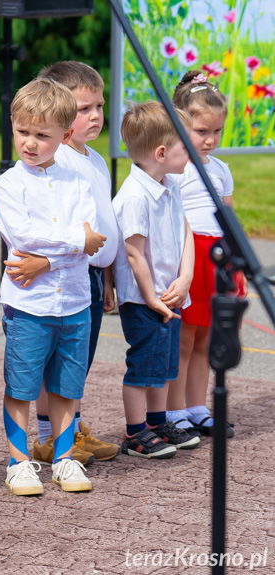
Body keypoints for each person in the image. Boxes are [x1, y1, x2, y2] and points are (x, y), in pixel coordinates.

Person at [0, 78, 105, 496]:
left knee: (66, 387)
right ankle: (18, 461)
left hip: (75, 301)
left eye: (42, 135)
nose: (30, 143)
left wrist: (51, 258)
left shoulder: (79, 184)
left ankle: (63, 458)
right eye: (23, 132)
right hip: (29, 305)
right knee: (20, 386)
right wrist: (75, 243)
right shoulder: (9, 184)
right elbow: (24, 236)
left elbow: (92, 241)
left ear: (65, 135)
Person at [11, 61, 120, 464]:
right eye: (82, 108)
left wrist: (108, 274)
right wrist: (46, 263)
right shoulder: (58, 163)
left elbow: (102, 220)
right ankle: (48, 436)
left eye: (99, 106)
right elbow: (47, 228)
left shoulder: (91, 158)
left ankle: (71, 427)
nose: (93, 116)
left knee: (79, 361)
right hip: (62, 272)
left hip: (90, 274)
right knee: (54, 363)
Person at [113, 101, 200, 459]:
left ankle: (157, 420)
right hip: (145, 299)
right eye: (185, 142)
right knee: (144, 365)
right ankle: (135, 433)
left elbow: (184, 232)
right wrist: (151, 297)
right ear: (161, 152)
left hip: (171, 293)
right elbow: (135, 254)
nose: (192, 149)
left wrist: (185, 278)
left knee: (164, 365)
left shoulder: (171, 186)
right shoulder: (134, 197)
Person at [168, 70, 238, 437]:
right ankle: (174, 409)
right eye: (201, 132)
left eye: (216, 132)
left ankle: (197, 406)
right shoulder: (176, 172)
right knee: (183, 337)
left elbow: (227, 218)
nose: (209, 140)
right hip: (188, 255)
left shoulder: (222, 170)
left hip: (215, 258)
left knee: (206, 338)